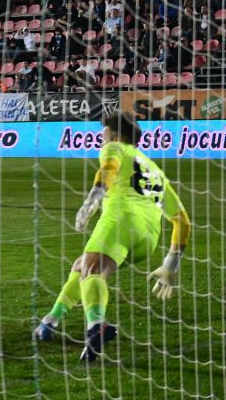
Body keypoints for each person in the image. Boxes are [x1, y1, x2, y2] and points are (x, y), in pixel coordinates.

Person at [34, 111, 191, 363]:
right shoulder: (154, 169)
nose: (102, 136)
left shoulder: (115, 147)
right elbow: (182, 220)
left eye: (104, 131)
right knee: (81, 266)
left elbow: (108, 168)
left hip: (120, 220)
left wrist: (92, 201)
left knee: (92, 271)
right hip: (147, 239)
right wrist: (170, 265)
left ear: (115, 134)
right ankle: (50, 321)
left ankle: (97, 326)